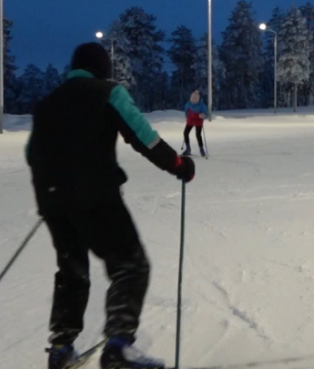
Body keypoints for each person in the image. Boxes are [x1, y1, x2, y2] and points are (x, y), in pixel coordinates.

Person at [27, 42, 195, 369]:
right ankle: (118, 346)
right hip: (95, 196)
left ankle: (61, 348)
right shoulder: (106, 91)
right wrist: (177, 164)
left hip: (52, 200)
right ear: (102, 68)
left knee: (72, 271)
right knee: (130, 266)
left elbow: (33, 153)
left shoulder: (48, 102)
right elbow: (141, 134)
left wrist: (56, 189)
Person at [182, 90, 208, 156]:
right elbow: (186, 111)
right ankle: (188, 149)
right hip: (190, 120)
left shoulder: (201, 105)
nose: (193, 101)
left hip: (198, 121)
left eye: (195, 99)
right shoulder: (188, 104)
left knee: (198, 134)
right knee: (185, 133)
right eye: (192, 99)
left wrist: (203, 115)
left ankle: (201, 149)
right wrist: (187, 116)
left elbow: (206, 113)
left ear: (198, 99)